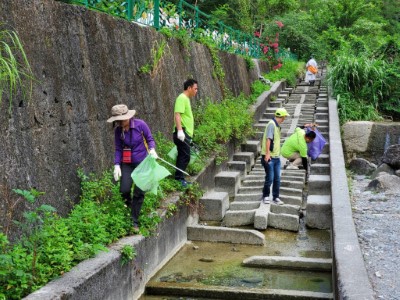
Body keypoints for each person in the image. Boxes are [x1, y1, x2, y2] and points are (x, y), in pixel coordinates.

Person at [107, 104, 158, 232]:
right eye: (118, 121)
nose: (120, 123)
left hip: (142, 163)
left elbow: (150, 139)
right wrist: (117, 165)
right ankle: (130, 205)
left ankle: (134, 221)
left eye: (122, 120)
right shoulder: (119, 131)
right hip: (127, 162)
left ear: (129, 117)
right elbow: (118, 148)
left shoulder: (140, 125)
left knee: (139, 192)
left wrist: (152, 149)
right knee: (124, 189)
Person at [261, 108, 289, 205]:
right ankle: (265, 196)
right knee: (270, 177)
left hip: (276, 157)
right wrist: (267, 153)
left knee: (277, 178)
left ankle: (276, 197)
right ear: (281, 117)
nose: (284, 119)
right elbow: (268, 139)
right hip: (270, 157)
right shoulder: (271, 125)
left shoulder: (277, 126)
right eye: (284, 117)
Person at [173, 78, 198, 187]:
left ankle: (180, 178)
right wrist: (179, 130)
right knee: (185, 156)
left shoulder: (186, 99)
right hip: (182, 132)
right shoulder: (182, 98)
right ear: (189, 88)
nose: (196, 91)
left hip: (185, 133)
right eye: (195, 88)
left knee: (183, 155)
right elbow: (177, 114)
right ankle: (179, 179)